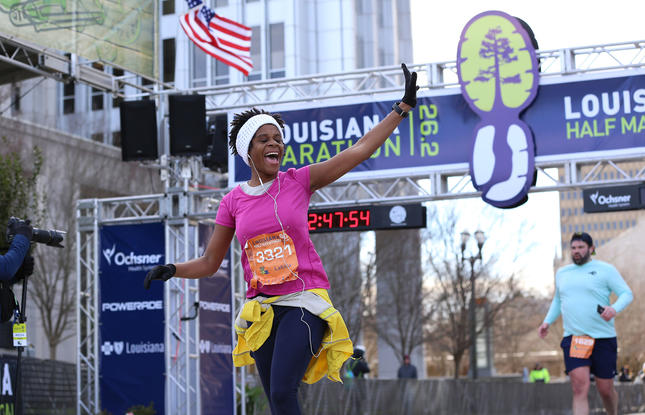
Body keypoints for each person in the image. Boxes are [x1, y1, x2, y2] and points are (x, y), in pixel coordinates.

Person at [144, 64, 418, 415]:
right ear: (249, 152)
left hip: (304, 301)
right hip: (262, 310)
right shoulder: (233, 201)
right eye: (265, 139)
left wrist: (401, 109)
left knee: (285, 392)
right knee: (276, 399)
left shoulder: (297, 181)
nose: (275, 143)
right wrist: (171, 268)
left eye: (277, 139)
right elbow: (210, 262)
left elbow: (359, 150)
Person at [538, 232, 633, 415]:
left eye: (581, 248)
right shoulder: (562, 273)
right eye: (573, 248)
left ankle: (612, 412)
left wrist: (613, 309)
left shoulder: (606, 269)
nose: (576, 251)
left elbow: (626, 294)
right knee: (579, 387)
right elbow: (558, 300)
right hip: (575, 338)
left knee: (605, 390)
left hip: (603, 338)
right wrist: (547, 322)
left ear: (591, 249)